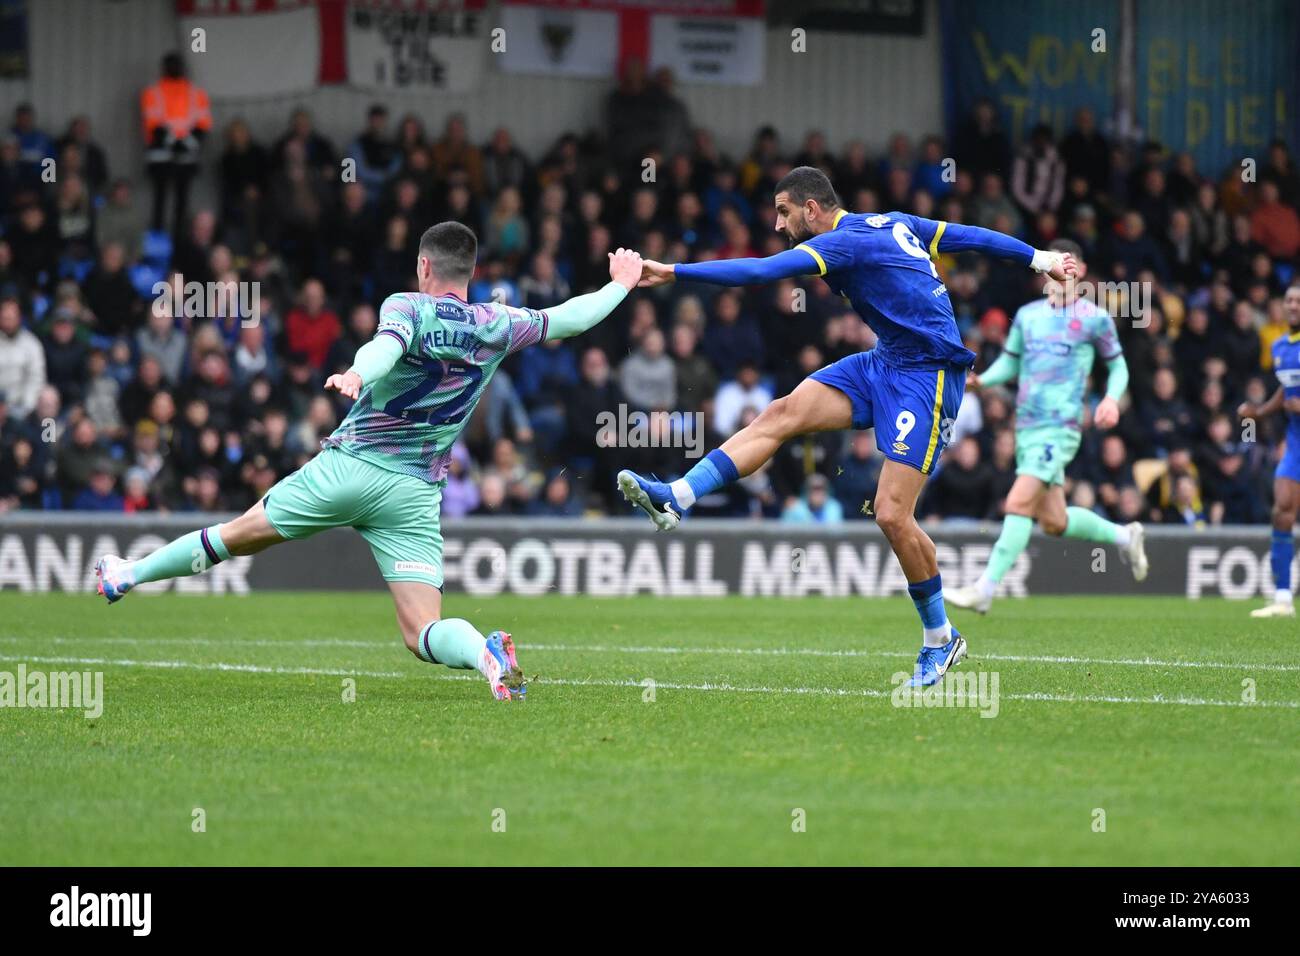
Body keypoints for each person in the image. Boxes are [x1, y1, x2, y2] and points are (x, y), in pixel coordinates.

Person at [95, 223, 645, 700]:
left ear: (423, 265)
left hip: (352, 468)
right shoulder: (496, 323)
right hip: (414, 493)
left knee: (239, 534)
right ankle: (485, 654)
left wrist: (359, 374)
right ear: (471, 272)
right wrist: (620, 285)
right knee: (421, 631)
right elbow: (569, 318)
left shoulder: (408, 305)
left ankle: (128, 572)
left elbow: (384, 347)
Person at [620, 166, 1077, 687]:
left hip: (927, 376)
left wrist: (674, 272)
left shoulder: (842, 245)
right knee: (781, 413)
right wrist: (1037, 257)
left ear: (812, 209)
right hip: (885, 363)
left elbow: (759, 272)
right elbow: (968, 235)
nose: (777, 223)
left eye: (784, 212)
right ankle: (678, 496)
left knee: (891, 514)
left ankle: (940, 640)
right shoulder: (891, 222)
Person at [946, 240, 1148, 615]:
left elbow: (1118, 366)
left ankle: (985, 589)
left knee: (1018, 501)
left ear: (1080, 272)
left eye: (1067, 265)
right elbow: (1012, 364)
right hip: (1027, 427)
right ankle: (1125, 535)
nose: (1058, 272)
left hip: (1061, 428)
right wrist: (984, 381)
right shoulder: (1027, 316)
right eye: (1052, 265)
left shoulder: (1094, 318)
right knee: (1055, 521)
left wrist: (1108, 399)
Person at [1236, 281, 1300, 618]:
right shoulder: (1279, 346)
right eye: (1289, 300)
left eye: (1297, 301)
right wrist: (1259, 411)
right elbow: (1285, 389)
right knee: (1281, 510)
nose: (1292, 306)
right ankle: (1283, 598)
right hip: (1296, 442)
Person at [140, 52, 211, 236]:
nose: (174, 68)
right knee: (160, 200)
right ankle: (158, 240)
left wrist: (182, 142)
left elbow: (203, 123)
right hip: (161, 155)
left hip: (185, 155)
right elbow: (152, 122)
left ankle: (180, 239)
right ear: (163, 68)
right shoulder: (152, 92)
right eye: (171, 65)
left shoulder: (197, 93)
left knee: (182, 200)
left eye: (177, 64)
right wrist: (178, 142)